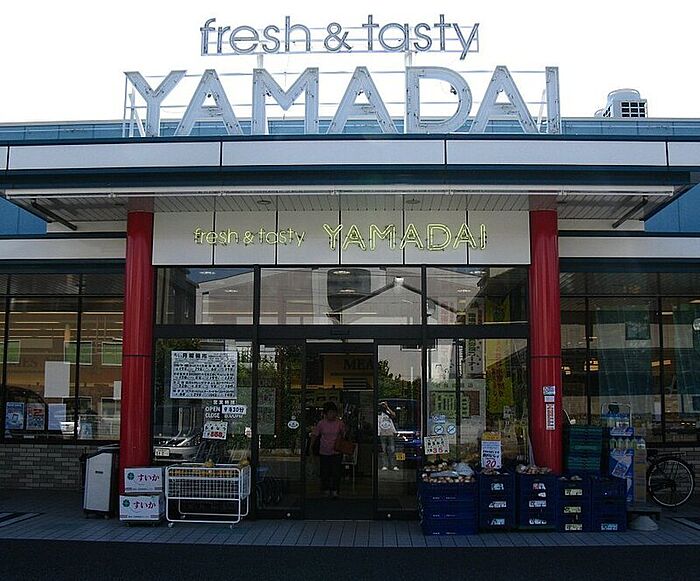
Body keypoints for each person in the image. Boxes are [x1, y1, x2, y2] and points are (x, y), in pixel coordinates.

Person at [311, 402, 346, 499]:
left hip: (336, 450)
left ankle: (335, 490)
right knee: (325, 472)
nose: (332, 414)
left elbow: (344, 435)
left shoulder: (339, 423)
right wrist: (311, 446)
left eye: (334, 412)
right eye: (330, 412)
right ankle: (325, 489)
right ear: (325, 413)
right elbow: (315, 435)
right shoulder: (321, 423)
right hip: (324, 450)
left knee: (336, 472)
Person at [378, 401, 399, 471]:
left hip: (390, 433)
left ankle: (393, 465)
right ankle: (385, 465)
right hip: (382, 434)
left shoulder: (388, 412)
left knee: (392, 450)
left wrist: (387, 407)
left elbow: (394, 415)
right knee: (384, 450)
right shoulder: (379, 413)